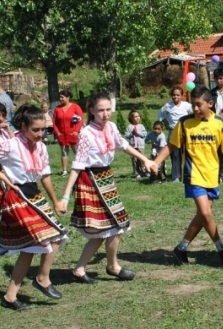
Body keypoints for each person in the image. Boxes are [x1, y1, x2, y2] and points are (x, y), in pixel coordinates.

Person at [57, 92, 155, 283]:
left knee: (107, 229)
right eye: (100, 110)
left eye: (108, 109)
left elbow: (124, 145)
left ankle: (83, 269)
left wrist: (145, 159)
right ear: (91, 111)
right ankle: (112, 266)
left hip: (106, 178)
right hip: (90, 179)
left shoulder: (110, 127)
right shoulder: (86, 134)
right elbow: (77, 166)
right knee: (111, 226)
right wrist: (65, 197)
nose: (105, 114)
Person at [0, 105, 68, 310]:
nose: (40, 134)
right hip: (16, 197)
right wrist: (4, 178)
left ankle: (14, 294)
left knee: (41, 244)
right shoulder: (10, 145)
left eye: (43, 129)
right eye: (35, 130)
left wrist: (55, 201)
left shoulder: (42, 147)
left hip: (33, 194)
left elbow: (44, 176)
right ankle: (39, 280)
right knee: (45, 240)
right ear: (23, 126)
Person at [153, 87, 223, 267]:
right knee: (205, 212)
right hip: (193, 175)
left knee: (203, 216)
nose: (195, 109)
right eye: (193, 105)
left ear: (210, 104)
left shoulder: (220, 123)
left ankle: (181, 248)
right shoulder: (184, 123)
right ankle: (222, 250)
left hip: (212, 175)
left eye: (199, 105)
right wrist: (156, 162)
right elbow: (171, 146)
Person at [158, 86, 193, 183]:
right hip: (173, 131)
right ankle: (176, 176)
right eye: (173, 95)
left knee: (186, 153)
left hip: (185, 131)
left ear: (182, 96)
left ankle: (186, 173)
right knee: (175, 154)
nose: (175, 97)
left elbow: (193, 114)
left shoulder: (187, 105)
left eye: (178, 95)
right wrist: (166, 122)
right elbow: (160, 115)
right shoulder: (167, 106)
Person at [52, 89, 84, 177]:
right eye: (60, 97)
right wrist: (57, 132)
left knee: (77, 152)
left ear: (68, 97)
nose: (60, 99)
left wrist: (76, 131)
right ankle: (65, 171)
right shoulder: (57, 109)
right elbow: (54, 122)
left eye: (62, 97)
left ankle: (81, 169)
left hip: (73, 134)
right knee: (64, 153)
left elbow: (81, 119)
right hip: (62, 135)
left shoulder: (75, 107)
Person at [124, 110, 148, 179]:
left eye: (138, 116)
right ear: (131, 118)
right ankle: (137, 173)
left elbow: (144, 134)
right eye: (135, 117)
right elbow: (126, 135)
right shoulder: (129, 127)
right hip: (133, 147)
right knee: (135, 160)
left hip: (140, 146)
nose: (137, 118)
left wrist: (138, 133)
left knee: (142, 159)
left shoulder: (141, 126)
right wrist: (132, 133)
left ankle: (145, 171)